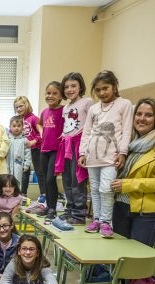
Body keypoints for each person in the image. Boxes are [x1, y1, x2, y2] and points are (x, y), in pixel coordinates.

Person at [111, 97, 155, 247]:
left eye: (149, 115)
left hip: (149, 211)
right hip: (120, 206)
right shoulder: (126, 144)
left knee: (137, 261)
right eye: (139, 114)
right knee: (117, 255)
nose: (142, 119)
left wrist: (127, 185)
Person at [79, 70, 133, 238]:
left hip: (111, 156)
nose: (102, 93)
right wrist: (82, 152)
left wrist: (122, 152)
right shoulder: (94, 108)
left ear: (114, 86)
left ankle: (105, 222)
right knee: (94, 189)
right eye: (98, 90)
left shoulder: (124, 104)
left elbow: (126, 130)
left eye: (105, 88)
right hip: (92, 156)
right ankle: (95, 219)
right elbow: (87, 131)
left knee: (106, 189)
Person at [57, 72, 93, 225]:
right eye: (66, 87)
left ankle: (79, 214)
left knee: (77, 180)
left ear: (80, 87)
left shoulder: (87, 102)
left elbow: (91, 125)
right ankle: (70, 210)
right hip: (66, 144)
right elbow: (67, 126)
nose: (70, 89)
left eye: (73, 86)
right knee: (67, 180)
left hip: (79, 145)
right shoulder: (66, 107)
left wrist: (84, 149)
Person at [37, 81, 65, 220]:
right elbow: (39, 124)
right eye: (48, 93)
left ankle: (53, 208)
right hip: (44, 149)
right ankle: (48, 206)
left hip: (56, 150)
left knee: (50, 180)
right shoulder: (44, 111)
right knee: (44, 179)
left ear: (61, 96)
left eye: (54, 93)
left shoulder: (63, 111)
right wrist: (42, 133)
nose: (50, 96)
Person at [14, 96, 44, 198]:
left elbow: (41, 133)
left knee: (39, 171)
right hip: (23, 151)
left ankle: (43, 194)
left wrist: (33, 142)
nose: (19, 109)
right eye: (16, 107)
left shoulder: (34, 118)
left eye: (21, 106)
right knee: (24, 172)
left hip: (36, 149)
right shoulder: (18, 120)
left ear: (27, 104)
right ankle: (23, 194)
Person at [6, 115, 31, 192]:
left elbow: (28, 153)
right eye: (14, 126)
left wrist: (26, 165)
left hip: (19, 165)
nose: (16, 128)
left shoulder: (24, 140)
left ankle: (17, 196)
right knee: (7, 181)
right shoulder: (7, 139)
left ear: (22, 127)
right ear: (10, 127)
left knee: (17, 181)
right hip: (7, 164)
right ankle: (7, 196)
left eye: (19, 126)